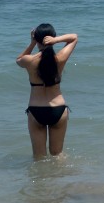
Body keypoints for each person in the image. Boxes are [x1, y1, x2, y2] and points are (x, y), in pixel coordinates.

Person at [18, 22, 78, 158]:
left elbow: (18, 59)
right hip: (58, 109)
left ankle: (42, 179)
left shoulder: (29, 60)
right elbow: (74, 37)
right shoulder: (59, 58)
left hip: (36, 111)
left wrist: (32, 43)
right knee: (58, 154)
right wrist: (55, 41)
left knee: (39, 157)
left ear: (37, 39)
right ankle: (64, 179)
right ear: (52, 38)